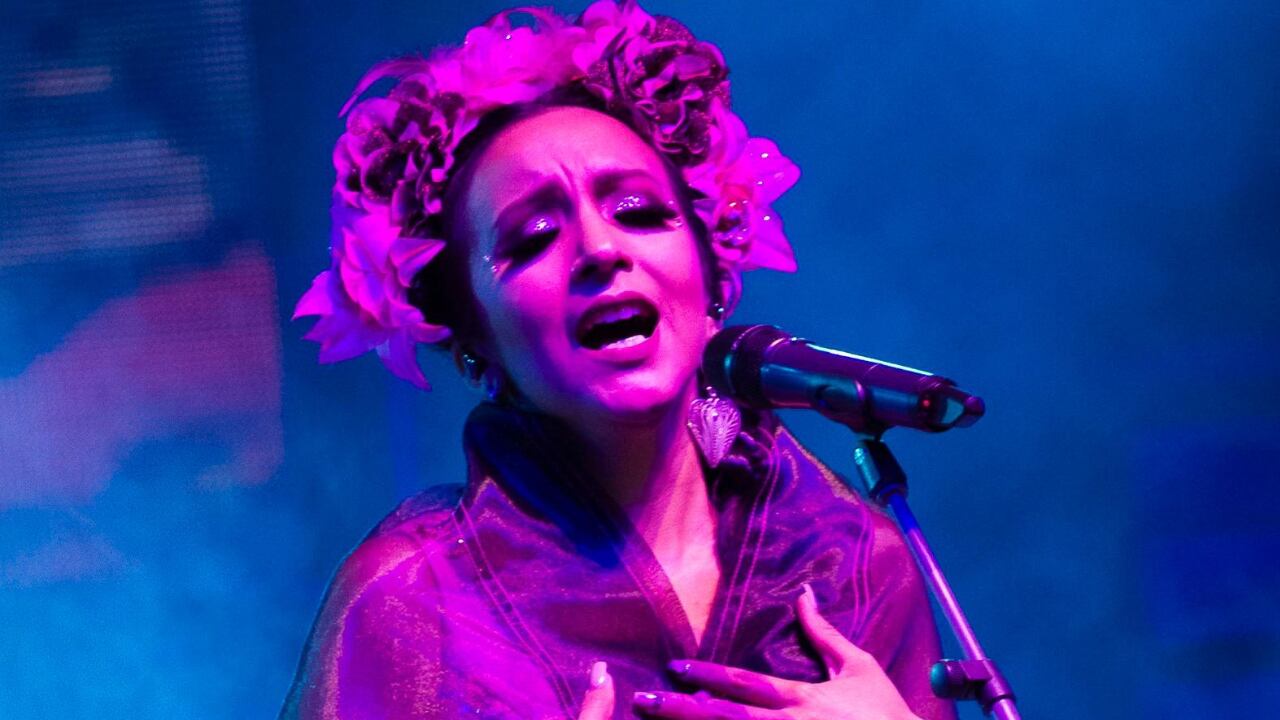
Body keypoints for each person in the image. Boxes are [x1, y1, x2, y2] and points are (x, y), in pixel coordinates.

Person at [283, 2, 957, 718]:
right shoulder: (416, 603)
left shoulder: (852, 559)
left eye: (638, 211)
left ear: (710, 273)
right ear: (474, 334)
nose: (601, 250)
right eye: (533, 238)